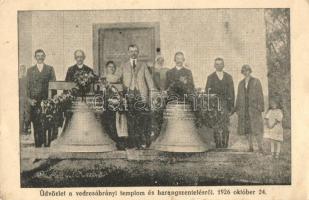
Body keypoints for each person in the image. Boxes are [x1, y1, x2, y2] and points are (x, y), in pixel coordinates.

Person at [119, 44, 155, 149]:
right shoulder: (123, 65)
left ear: (138, 53)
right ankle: (132, 143)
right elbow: (117, 78)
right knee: (130, 120)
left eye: (135, 51)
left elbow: (149, 81)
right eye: (131, 51)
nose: (133, 53)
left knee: (141, 119)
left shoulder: (143, 65)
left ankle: (140, 143)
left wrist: (153, 93)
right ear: (128, 53)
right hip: (129, 94)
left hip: (141, 95)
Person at [26, 49, 56, 147]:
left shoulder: (50, 69)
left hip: (46, 102)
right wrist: (29, 100)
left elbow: (53, 86)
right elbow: (27, 87)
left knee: (47, 125)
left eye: (41, 55)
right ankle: (38, 148)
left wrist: (51, 100)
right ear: (35, 57)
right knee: (36, 125)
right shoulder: (30, 70)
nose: (40, 57)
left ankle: (47, 148)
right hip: (35, 102)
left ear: (44, 56)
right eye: (38, 55)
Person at [205, 57, 235, 148]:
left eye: (220, 64)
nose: (218, 66)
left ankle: (225, 145)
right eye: (217, 64)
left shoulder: (228, 77)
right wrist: (209, 106)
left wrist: (231, 106)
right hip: (214, 104)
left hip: (225, 104)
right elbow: (207, 92)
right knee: (216, 125)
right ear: (214, 65)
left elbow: (232, 92)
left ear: (223, 65)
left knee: (225, 124)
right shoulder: (210, 77)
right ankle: (218, 145)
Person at [235, 64, 264, 152]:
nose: (245, 72)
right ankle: (250, 147)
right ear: (242, 72)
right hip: (244, 109)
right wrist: (237, 108)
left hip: (254, 109)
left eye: (247, 70)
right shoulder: (241, 83)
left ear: (250, 71)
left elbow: (260, 95)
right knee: (248, 129)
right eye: (244, 71)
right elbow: (239, 97)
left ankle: (260, 147)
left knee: (257, 128)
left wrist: (261, 107)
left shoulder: (256, 81)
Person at [101, 61, 127, 150]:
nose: (111, 69)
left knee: (115, 123)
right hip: (105, 103)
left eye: (113, 67)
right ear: (106, 68)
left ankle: (117, 142)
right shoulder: (103, 79)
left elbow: (120, 92)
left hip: (115, 104)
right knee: (106, 122)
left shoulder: (117, 79)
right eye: (109, 67)